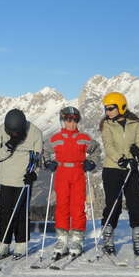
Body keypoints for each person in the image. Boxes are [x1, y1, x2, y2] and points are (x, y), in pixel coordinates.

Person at [44, 107, 98, 259]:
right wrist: (48, 163)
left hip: (78, 173)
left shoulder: (83, 138)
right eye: (68, 120)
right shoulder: (56, 138)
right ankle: (62, 240)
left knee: (77, 206)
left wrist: (92, 162)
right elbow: (44, 151)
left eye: (75, 120)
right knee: (62, 206)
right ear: (63, 121)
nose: (72, 123)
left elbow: (96, 149)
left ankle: (77, 240)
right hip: (62, 173)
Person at [0, 109, 43, 259]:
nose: (13, 135)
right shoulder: (2, 129)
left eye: (15, 133)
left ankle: (21, 244)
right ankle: (3, 243)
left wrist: (33, 173)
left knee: (21, 213)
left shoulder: (35, 132)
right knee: (5, 212)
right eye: (10, 132)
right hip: (6, 177)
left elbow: (36, 156)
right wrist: (9, 146)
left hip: (24, 179)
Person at [100, 92, 139, 256]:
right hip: (112, 169)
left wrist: (138, 151)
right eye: (106, 108)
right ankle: (108, 237)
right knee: (114, 204)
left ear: (121, 106)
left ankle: (138, 236)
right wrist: (121, 160)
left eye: (111, 108)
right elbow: (108, 145)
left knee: (135, 203)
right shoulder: (106, 125)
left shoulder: (135, 124)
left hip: (131, 169)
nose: (108, 111)